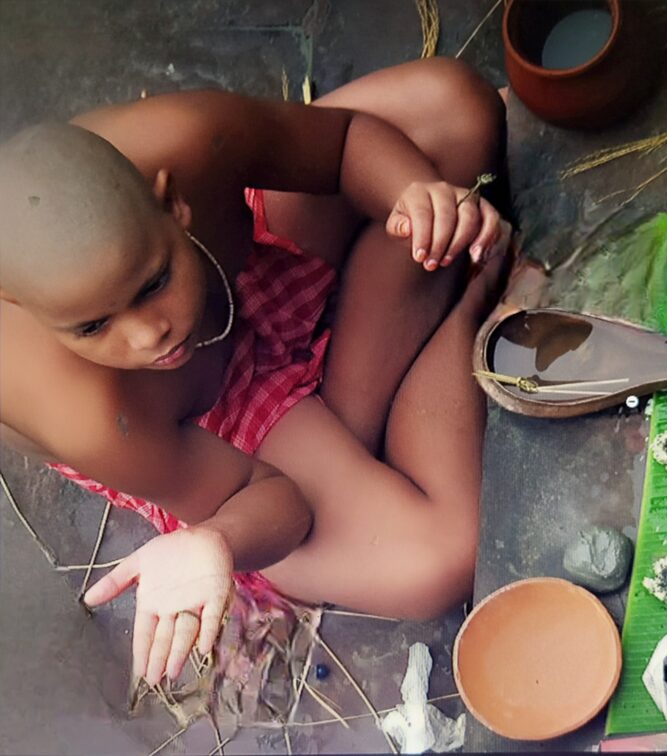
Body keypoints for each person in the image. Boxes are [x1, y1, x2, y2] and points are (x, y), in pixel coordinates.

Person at [0, 57, 524, 689]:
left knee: (455, 111)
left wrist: (412, 193)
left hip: (250, 272)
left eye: (153, 284)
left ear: (173, 204)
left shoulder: (185, 138)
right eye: (91, 327)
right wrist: (215, 541)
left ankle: (348, 425)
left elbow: (344, 143)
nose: (148, 335)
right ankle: (477, 302)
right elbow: (277, 502)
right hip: (220, 421)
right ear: (30, 315)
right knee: (437, 560)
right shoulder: (89, 413)